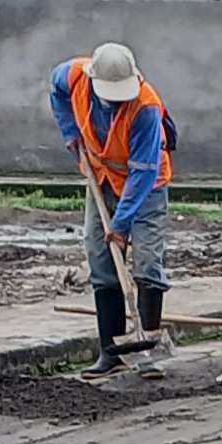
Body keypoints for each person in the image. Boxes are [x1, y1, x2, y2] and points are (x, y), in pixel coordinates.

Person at [50, 40, 174, 371]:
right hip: (102, 178)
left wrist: (120, 224)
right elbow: (55, 90)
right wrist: (70, 130)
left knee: (147, 264)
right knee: (101, 259)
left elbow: (143, 173)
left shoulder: (146, 107)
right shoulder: (73, 75)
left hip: (146, 187)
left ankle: (147, 352)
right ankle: (111, 352)